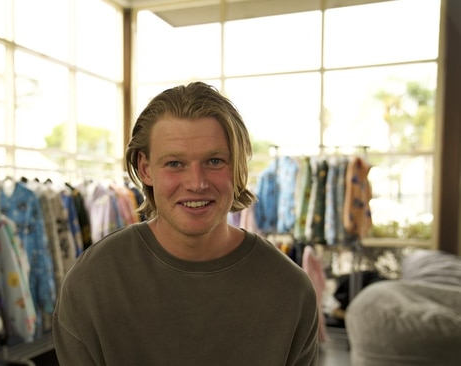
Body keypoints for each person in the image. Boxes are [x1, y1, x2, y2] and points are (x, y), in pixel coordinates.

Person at [52, 81, 319, 365]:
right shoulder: (93, 282)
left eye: (215, 161)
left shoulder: (290, 290)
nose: (196, 183)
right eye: (175, 164)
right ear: (145, 168)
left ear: (238, 166)